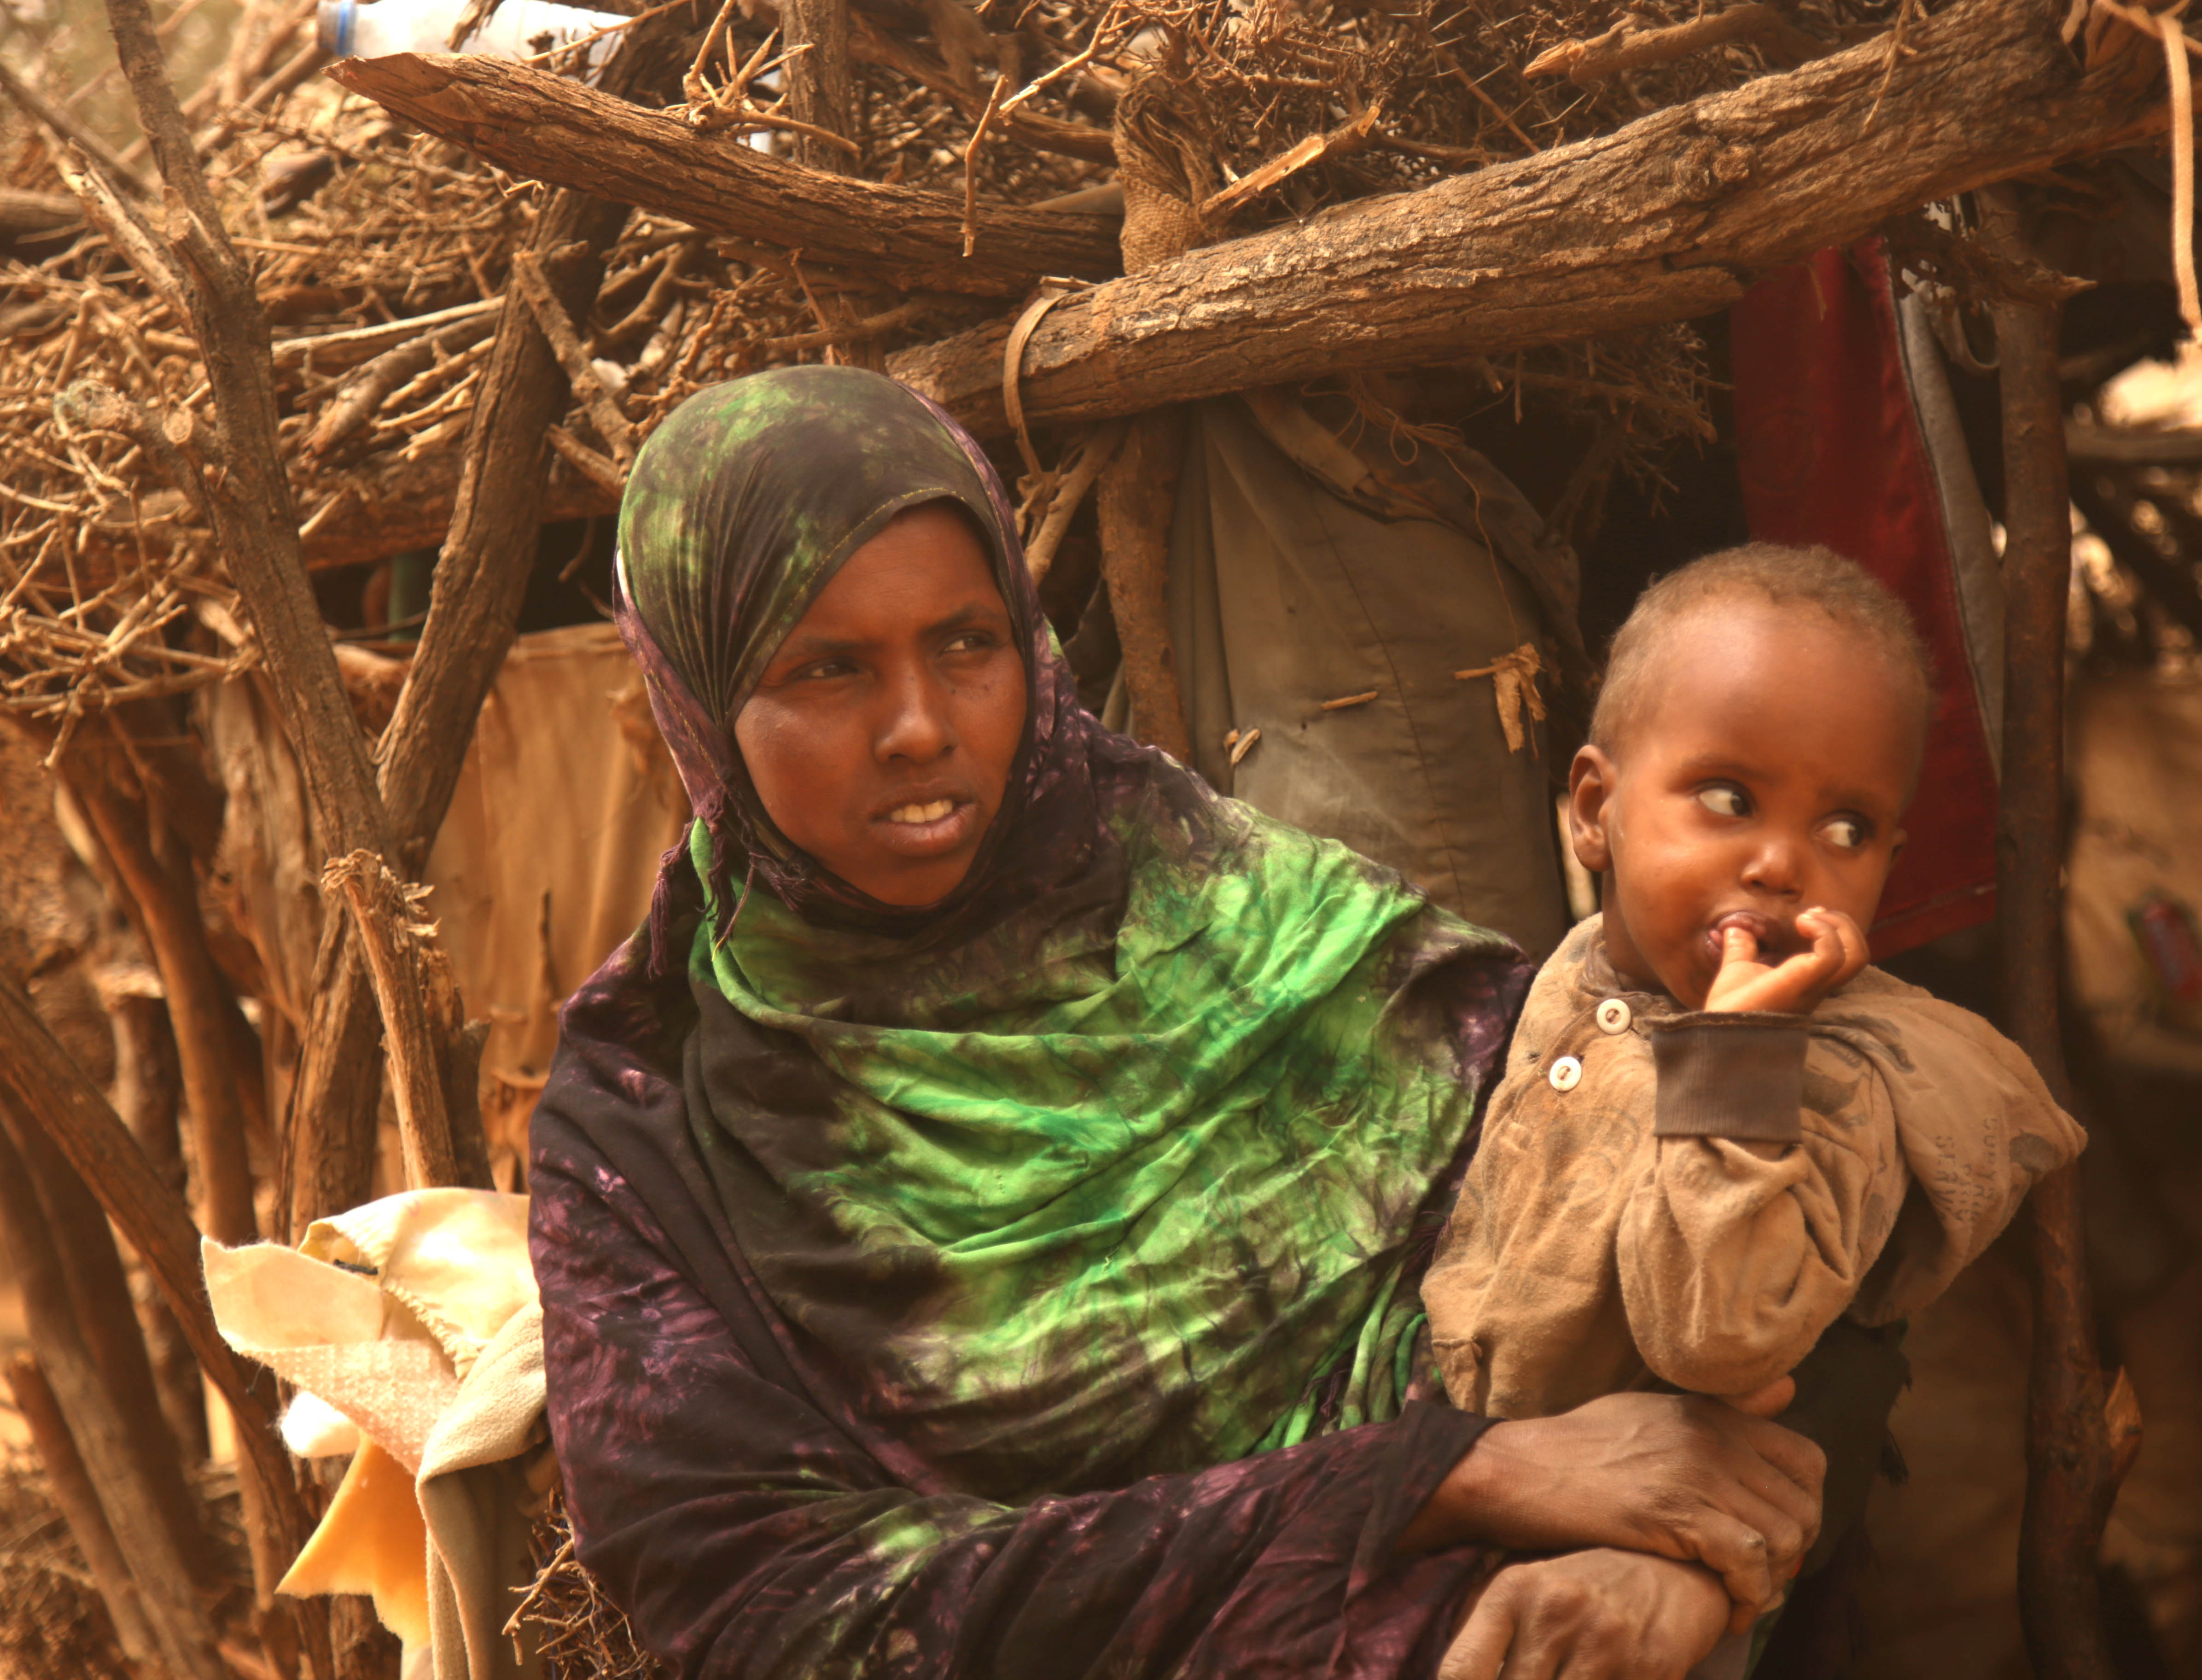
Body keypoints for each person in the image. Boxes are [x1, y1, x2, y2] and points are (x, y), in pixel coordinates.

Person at [528, 366, 1830, 1680]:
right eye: (828, 669)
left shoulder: (1255, 918)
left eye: (967, 644)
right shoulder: (646, 1121)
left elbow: (1635, 1216)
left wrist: (1651, 1560)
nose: (920, 727)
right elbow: (770, 1619)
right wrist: (1438, 1480)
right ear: (700, 703)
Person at [1421, 546, 2086, 1637]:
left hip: (1662, 1586)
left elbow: (1714, 1339)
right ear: (1596, 810)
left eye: (1847, 831)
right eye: (1729, 798)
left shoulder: (1838, 1079)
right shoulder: (1581, 968)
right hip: (1480, 1505)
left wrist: (1737, 1056)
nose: (1784, 864)